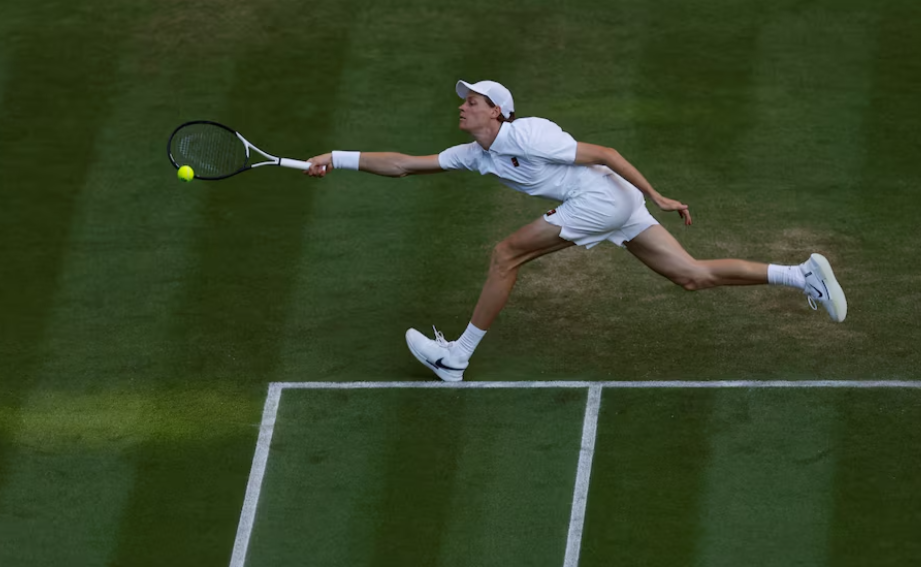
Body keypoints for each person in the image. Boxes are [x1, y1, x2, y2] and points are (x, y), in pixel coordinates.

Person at [305, 80, 847, 382]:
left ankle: (458, 356)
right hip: (610, 199)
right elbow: (402, 164)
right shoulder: (475, 154)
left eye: (473, 101)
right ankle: (801, 277)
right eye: (464, 100)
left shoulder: (530, 134)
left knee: (505, 255)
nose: (462, 105)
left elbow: (605, 153)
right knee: (691, 276)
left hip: (603, 196)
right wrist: (337, 156)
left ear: (499, 111)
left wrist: (656, 195)